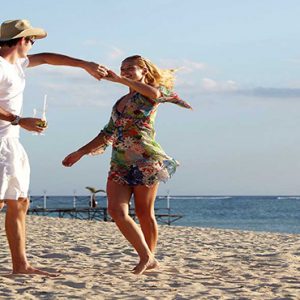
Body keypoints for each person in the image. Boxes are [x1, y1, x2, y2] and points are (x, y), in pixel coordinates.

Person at [62, 55, 192, 275]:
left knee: (144, 212)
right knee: (116, 210)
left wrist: (120, 80)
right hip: (120, 161)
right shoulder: (120, 102)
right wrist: (80, 152)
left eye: (130, 68)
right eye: (123, 69)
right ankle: (147, 257)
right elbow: (107, 133)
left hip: (145, 159)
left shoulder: (151, 94)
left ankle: (148, 256)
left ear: (144, 70)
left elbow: (156, 94)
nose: (125, 71)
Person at [0, 19, 107, 276]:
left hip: (10, 141)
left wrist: (84, 65)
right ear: (21, 40)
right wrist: (18, 119)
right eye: (31, 40)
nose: (33, 45)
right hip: (2, 139)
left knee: (20, 202)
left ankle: (21, 265)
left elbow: (47, 58)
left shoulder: (17, 64)